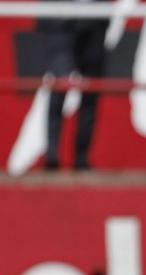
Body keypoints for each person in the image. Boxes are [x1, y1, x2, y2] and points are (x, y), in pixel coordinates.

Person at [38, 0, 108, 170]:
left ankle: (81, 158)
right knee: (59, 87)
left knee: (90, 90)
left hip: (94, 18)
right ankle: (52, 157)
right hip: (59, 19)